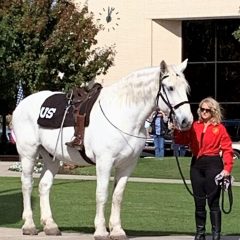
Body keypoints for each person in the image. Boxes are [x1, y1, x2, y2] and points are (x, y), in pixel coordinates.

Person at [174, 97, 233, 240]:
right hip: (196, 165)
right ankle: (200, 234)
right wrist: (176, 129)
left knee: (213, 202)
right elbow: (181, 140)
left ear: (213, 111)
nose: (204, 112)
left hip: (213, 164)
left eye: (207, 110)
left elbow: (227, 150)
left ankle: (215, 235)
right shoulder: (194, 125)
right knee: (199, 202)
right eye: (202, 109)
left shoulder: (219, 128)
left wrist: (227, 169)